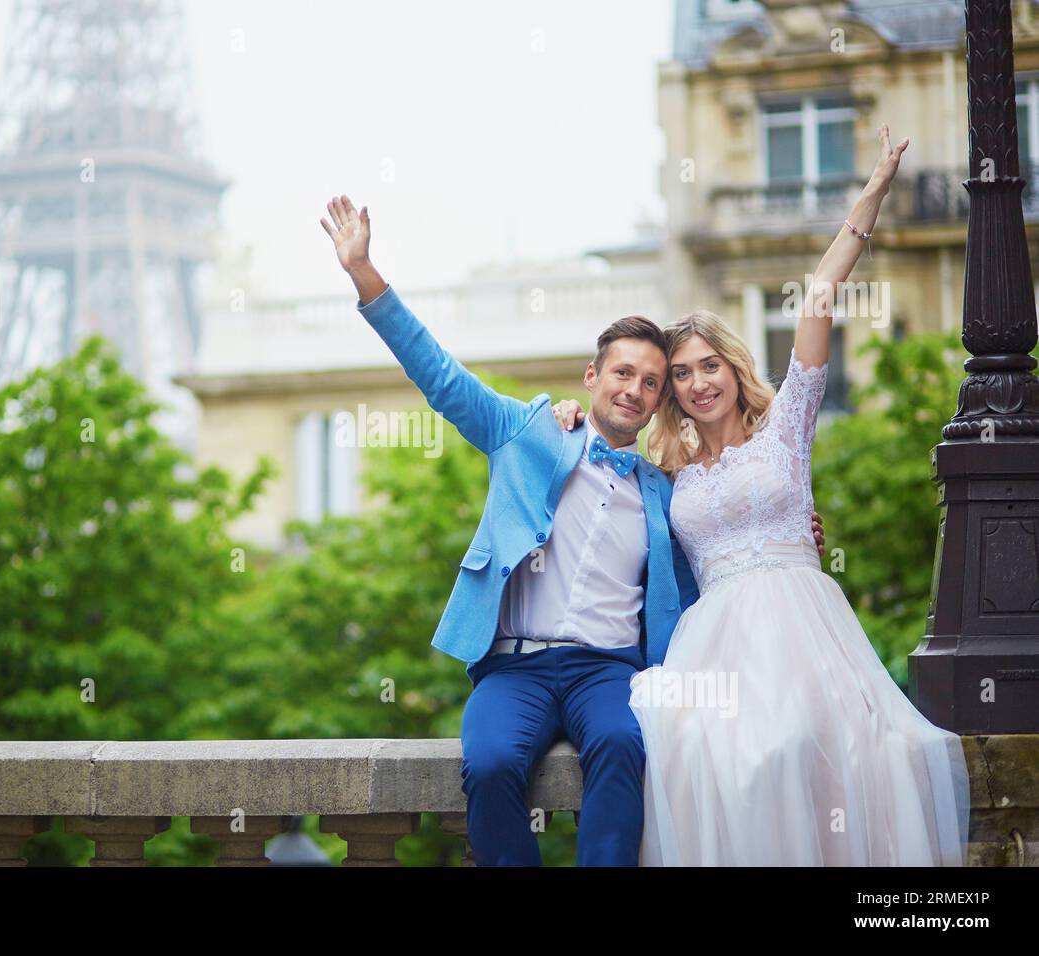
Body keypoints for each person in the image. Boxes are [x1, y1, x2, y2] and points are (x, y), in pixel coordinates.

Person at [318, 194, 824, 865]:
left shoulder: (663, 492)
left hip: (608, 670)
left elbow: (719, 559)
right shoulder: (526, 432)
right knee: (493, 762)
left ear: (659, 401)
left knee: (626, 746)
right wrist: (365, 273)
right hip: (514, 667)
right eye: (622, 373)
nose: (634, 390)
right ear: (592, 376)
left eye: (651, 383)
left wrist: (794, 530)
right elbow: (437, 374)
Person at [551, 125, 970, 864]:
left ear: (733, 367)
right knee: (713, 765)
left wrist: (872, 189)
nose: (697, 382)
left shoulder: (787, 430)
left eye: (709, 365)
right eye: (681, 374)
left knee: (820, 757)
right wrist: (565, 415)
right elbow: (603, 475)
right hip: (713, 645)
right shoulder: (665, 470)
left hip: (803, 629)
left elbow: (819, 293)